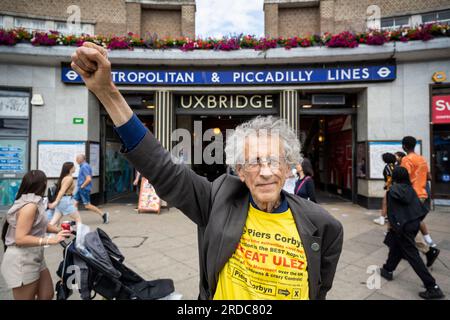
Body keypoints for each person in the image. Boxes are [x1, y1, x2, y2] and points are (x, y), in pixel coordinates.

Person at [70, 42, 343, 300]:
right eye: (254, 162)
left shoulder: (324, 225)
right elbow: (161, 167)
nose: (265, 172)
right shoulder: (216, 201)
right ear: (240, 170)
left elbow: (320, 288)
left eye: (274, 161)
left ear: (287, 167)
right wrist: (108, 92)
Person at [0, 170, 72, 300]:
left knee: (47, 294)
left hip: (35, 256)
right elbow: (20, 238)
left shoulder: (35, 202)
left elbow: (41, 224)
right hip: (22, 259)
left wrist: (59, 230)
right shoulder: (29, 206)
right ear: (43, 184)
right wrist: (50, 241)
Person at [380, 167, 444, 299]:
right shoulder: (411, 189)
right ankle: (388, 269)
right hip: (413, 224)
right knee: (396, 247)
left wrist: (391, 226)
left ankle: (432, 286)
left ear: (395, 177)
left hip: (402, 227)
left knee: (413, 257)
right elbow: (418, 208)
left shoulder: (391, 191)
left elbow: (392, 212)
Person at [401, 136, 439, 267]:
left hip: (411, 196)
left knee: (406, 226)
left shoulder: (406, 159)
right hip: (422, 194)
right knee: (411, 223)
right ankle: (400, 253)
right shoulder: (422, 159)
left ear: (404, 146)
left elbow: (403, 179)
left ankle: (428, 251)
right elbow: (429, 176)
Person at [74, 154, 109, 224]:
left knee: (87, 205)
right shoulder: (85, 166)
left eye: (77, 158)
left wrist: (82, 186)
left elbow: (88, 179)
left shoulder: (84, 167)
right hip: (81, 188)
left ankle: (103, 215)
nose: (76, 160)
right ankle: (76, 220)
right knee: (74, 204)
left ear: (81, 159)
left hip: (83, 189)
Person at [374, 153, 397, 226]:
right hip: (396, 187)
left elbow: (390, 177)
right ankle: (386, 218)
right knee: (389, 203)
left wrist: (386, 185)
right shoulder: (395, 166)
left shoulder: (388, 166)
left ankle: (382, 219)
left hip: (391, 187)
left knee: (385, 202)